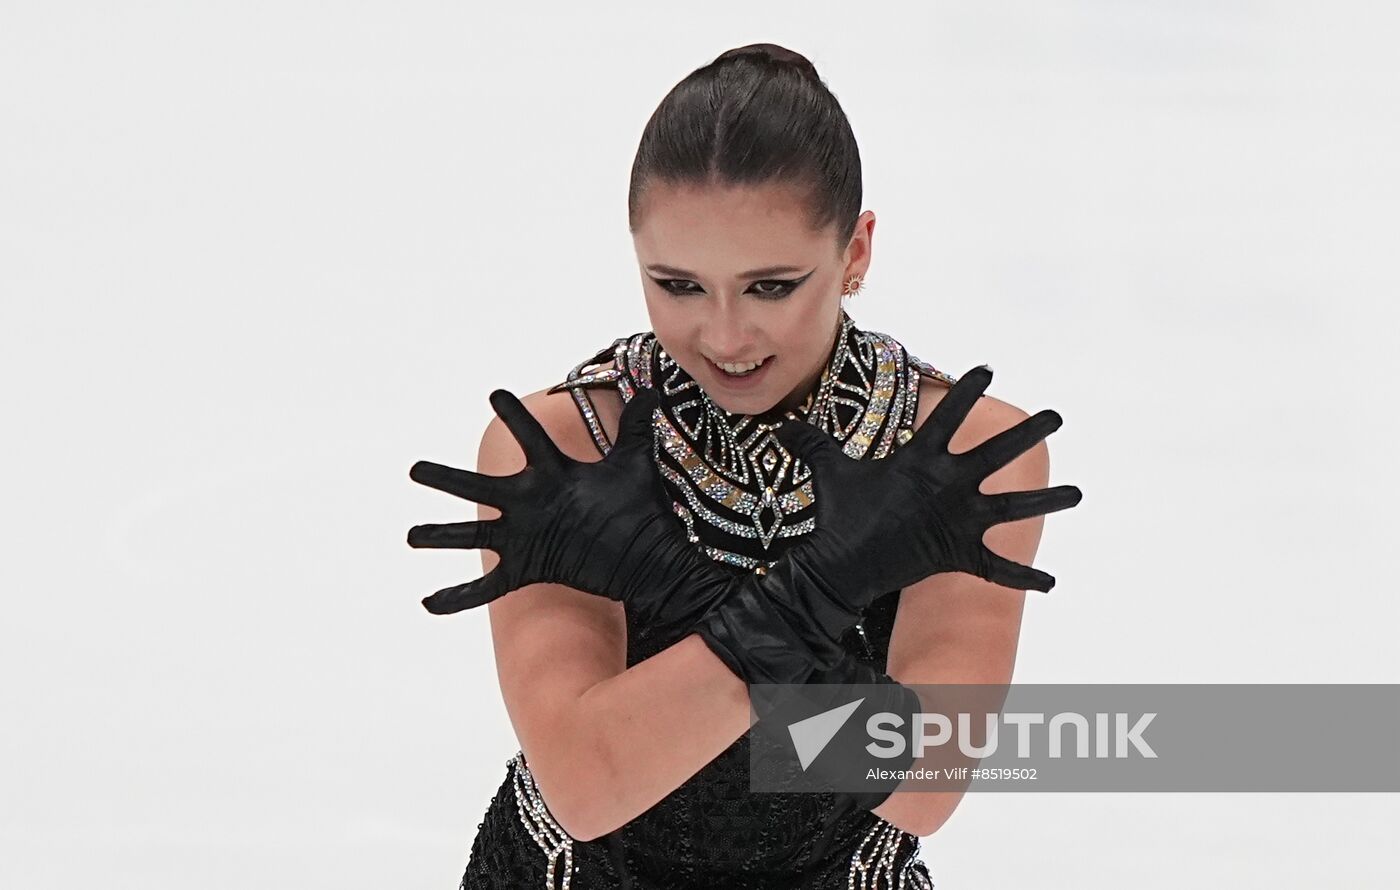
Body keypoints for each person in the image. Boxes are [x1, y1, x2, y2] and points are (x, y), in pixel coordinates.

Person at [407, 43, 1080, 889]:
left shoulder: (953, 456)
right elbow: (588, 785)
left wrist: (711, 609)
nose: (724, 338)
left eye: (771, 286)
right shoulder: (564, 445)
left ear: (856, 252)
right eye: (678, 285)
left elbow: (921, 787)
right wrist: (809, 610)